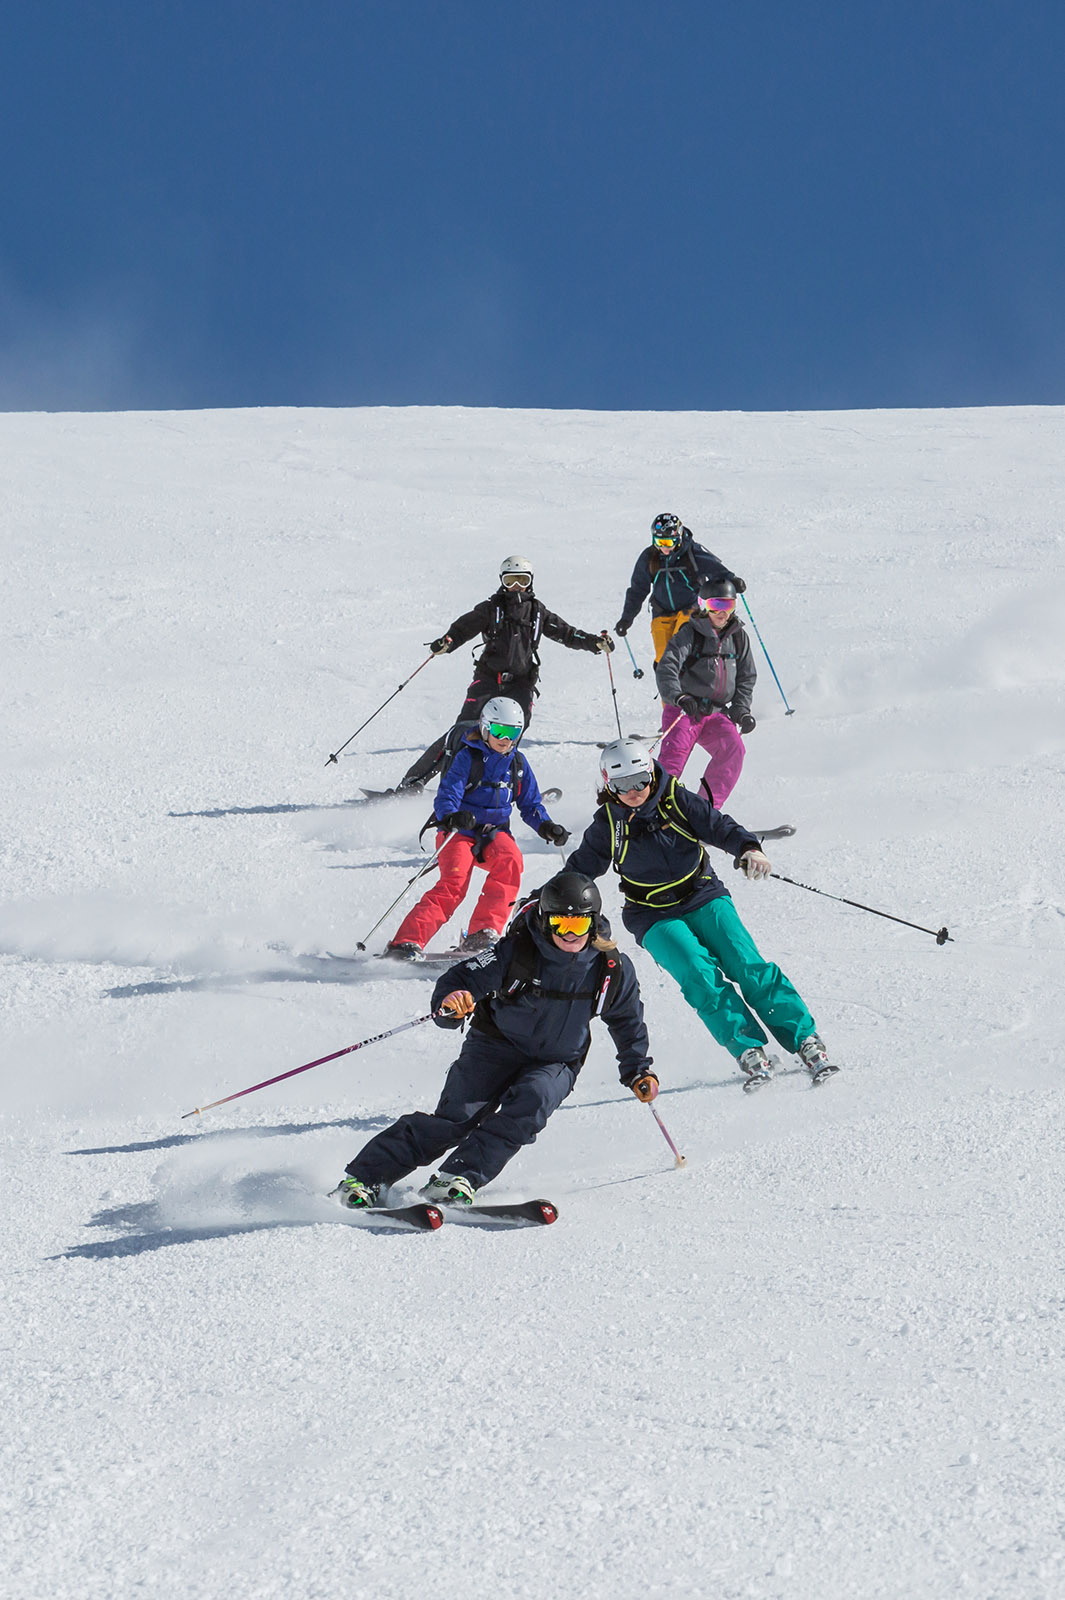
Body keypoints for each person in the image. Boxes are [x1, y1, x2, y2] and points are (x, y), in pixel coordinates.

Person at [333, 872, 658, 1209]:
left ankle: (459, 1177)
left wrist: (637, 1070)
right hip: (494, 1046)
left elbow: (627, 1020)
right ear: (546, 922)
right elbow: (461, 977)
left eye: (579, 925)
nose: (570, 934)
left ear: (594, 923)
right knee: (454, 1120)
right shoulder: (517, 951)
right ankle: (364, 1179)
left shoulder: (611, 968)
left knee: (532, 1103)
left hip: (557, 1060)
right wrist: (454, 1000)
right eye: (561, 924)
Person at [564, 738, 839, 1090]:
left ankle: (804, 1039)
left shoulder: (675, 799)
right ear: (608, 783)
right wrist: (552, 900)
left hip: (703, 895)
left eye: (641, 781)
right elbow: (580, 870)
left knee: (745, 962)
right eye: (622, 785)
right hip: (652, 914)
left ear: (651, 773)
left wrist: (748, 848)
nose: (634, 792)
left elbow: (717, 825)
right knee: (698, 973)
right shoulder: (608, 825)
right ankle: (748, 1048)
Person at [396, 555, 614, 791]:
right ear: (502, 581)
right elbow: (463, 627)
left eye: (522, 579)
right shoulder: (492, 608)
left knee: (509, 735)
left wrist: (595, 643)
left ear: (530, 581)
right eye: (511, 580)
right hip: (488, 679)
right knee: (462, 731)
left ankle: (494, 784)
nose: (516, 586)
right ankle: (415, 782)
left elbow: (568, 634)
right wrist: (448, 642)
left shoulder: (537, 613)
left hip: (520, 684)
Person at [383, 697, 570, 963]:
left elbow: (530, 804)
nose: (505, 740)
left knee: (511, 862)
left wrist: (546, 826)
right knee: (454, 884)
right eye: (499, 732)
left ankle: (482, 933)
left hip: (494, 833)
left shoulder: (517, 764)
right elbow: (448, 793)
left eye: (513, 733)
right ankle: (405, 942)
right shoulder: (468, 757)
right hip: (458, 832)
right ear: (485, 727)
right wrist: (452, 817)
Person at [654, 577, 757, 808]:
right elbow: (667, 666)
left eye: (728, 606)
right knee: (673, 761)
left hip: (715, 713)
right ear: (704, 605)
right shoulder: (690, 633)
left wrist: (741, 710)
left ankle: (705, 811)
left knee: (733, 750)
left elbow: (746, 677)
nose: (722, 613)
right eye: (716, 606)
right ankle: (657, 811)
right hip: (684, 710)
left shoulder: (738, 637)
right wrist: (678, 696)